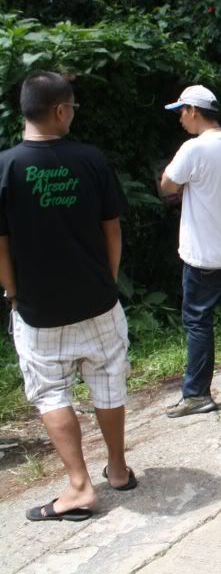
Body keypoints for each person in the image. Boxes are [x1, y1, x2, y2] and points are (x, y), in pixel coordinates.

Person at [0, 71, 135, 521]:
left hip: (39, 311)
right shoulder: (91, 159)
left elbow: (0, 244)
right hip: (98, 302)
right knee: (108, 380)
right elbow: (111, 229)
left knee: (51, 393)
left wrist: (14, 293)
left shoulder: (7, 166)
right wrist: (107, 280)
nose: (73, 114)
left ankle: (80, 487)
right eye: (73, 107)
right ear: (59, 110)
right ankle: (117, 469)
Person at [160, 85, 221, 418]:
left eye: (181, 112)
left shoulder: (193, 148)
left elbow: (167, 185)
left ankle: (196, 394)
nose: (180, 120)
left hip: (204, 254)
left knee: (198, 322)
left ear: (193, 110)